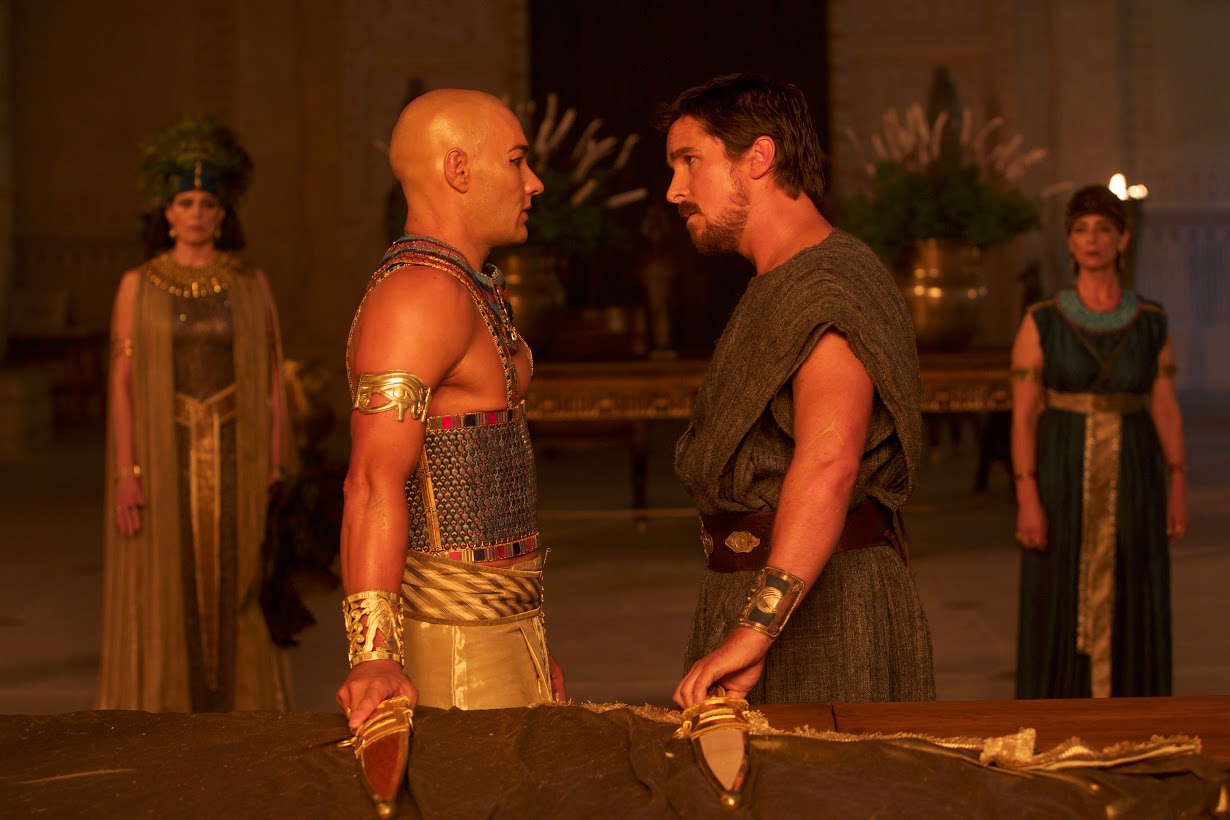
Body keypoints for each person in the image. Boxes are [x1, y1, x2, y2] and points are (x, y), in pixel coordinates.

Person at [656, 73, 935, 707]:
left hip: (826, 619)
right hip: (764, 597)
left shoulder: (826, 285)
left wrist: (756, 628)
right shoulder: (782, 280)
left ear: (759, 156)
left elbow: (829, 465)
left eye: (690, 161)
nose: (674, 190)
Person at [336, 89, 566, 732]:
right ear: (458, 169)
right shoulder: (418, 295)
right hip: (452, 643)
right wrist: (375, 657)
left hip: (505, 626)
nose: (533, 182)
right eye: (516, 161)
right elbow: (371, 480)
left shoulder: (470, 286)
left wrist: (527, 637)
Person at [99, 114, 293, 711]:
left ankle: (244, 709)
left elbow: (272, 379)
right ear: (167, 211)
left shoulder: (250, 282)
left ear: (222, 212)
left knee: (243, 574)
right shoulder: (138, 285)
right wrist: (126, 471)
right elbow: (123, 382)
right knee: (167, 580)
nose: (196, 213)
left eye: (207, 203)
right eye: (185, 202)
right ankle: (170, 709)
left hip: (240, 455)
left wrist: (276, 462)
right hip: (165, 456)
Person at [1012, 184, 1187, 699]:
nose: (1092, 240)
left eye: (1104, 229)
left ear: (1122, 239)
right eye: (1081, 230)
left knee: (1134, 584)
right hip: (1063, 471)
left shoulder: (1151, 320)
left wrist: (1177, 482)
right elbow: (1023, 416)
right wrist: (1027, 496)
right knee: (1060, 590)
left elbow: (1165, 406)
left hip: (1135, 471)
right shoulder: (1043, 319)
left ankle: (1133, 721)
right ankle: (1058, 718)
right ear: (1069, 242)